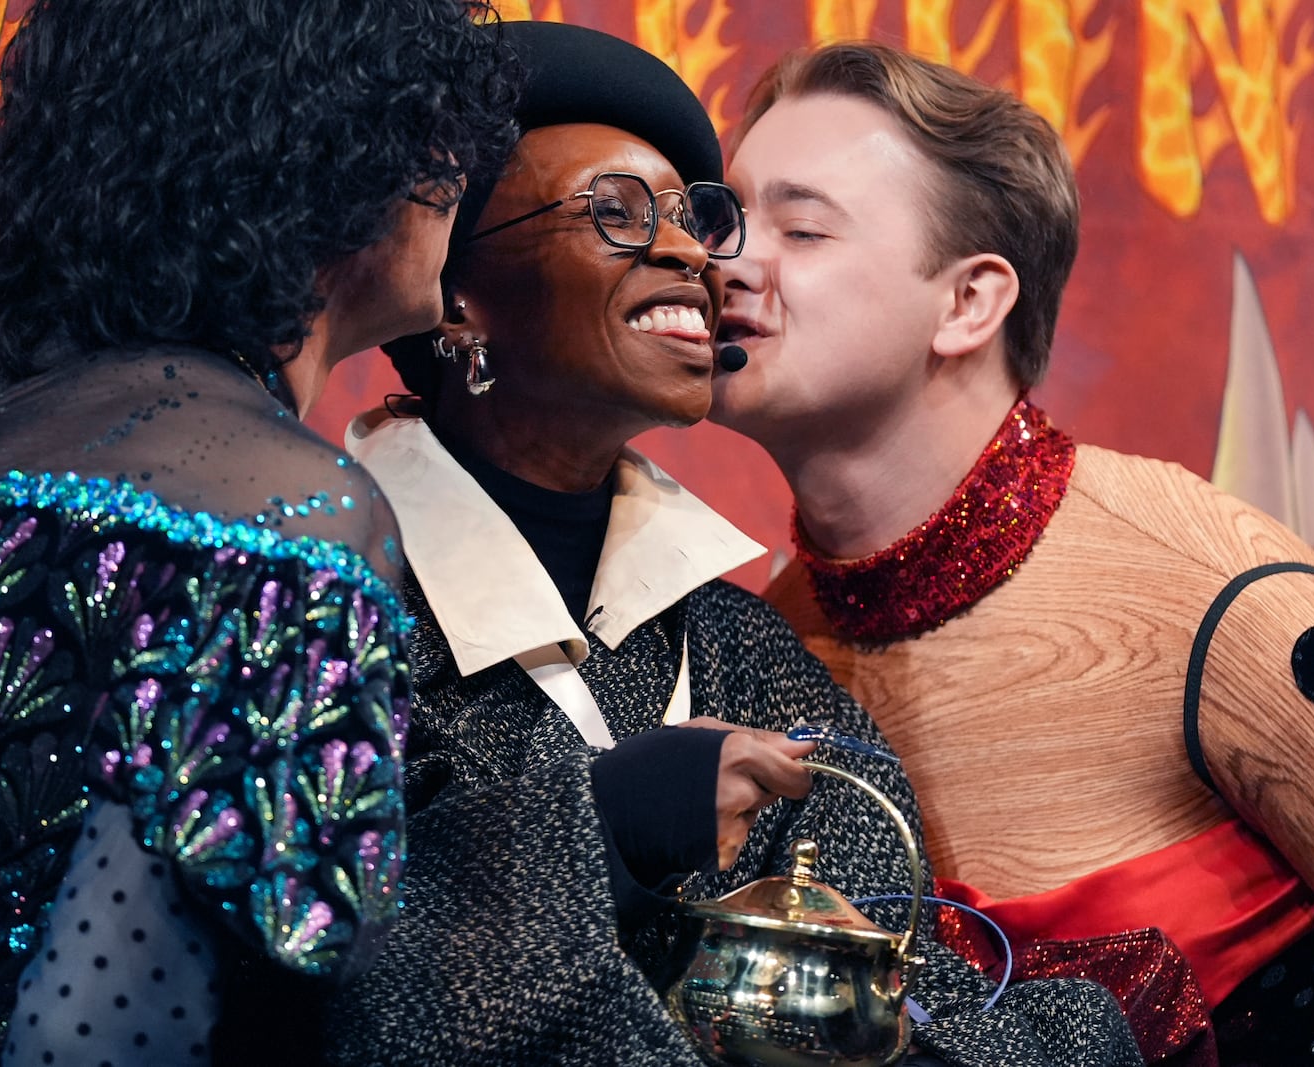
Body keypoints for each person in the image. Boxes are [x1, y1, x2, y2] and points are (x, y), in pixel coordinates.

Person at [323, 20, 1140, 1067]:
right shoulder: (319, 602)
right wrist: (602, 822)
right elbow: (288, 994)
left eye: (688, 217)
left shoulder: (745, 649)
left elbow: (910, 989)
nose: (691, 254)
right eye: (615, 214)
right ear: (455, 293)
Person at [0, 1, 517, 1064]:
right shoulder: (279, 519)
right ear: (333, 148)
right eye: (430, 127)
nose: (454, 171)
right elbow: (109, 1028)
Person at [710, 39, 1314, 1065]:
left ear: (968, 302)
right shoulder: (769, 640)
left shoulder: (1196, 580)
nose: (725, 264)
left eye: (802, 226)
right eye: (727, 218)